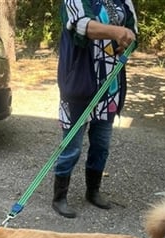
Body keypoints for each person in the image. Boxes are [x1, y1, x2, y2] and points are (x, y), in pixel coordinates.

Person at [52, 0, 138, 218]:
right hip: (80, 82)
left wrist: (128, 40)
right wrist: (118, 31)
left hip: (110, 84)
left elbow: (133, 30)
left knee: (101, 144)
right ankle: (59, 196)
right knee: (72, 146)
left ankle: (93, 190)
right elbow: (82, 25)